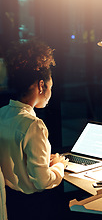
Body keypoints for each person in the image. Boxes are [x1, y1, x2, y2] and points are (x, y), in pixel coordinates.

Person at [0, 39, 68, 219]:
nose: (51, 93)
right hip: (33, 207)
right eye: (50, 87)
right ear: (41, 85)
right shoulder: (34, 125)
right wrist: (59, 166)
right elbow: (42, 181)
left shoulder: (2, 114)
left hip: (9, 201)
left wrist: (47, 163)